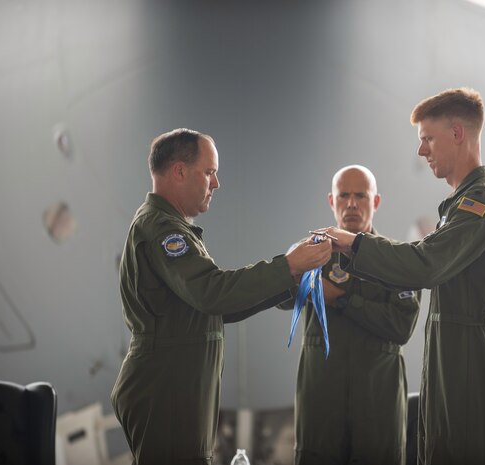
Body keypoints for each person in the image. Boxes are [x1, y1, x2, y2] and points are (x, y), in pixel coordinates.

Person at [320, 88, 485, 464]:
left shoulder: (484, 203)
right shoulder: (460, 205)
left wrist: (353, 245)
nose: (421, 151)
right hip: (451, 359)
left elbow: (425, 265)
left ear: (457, 134)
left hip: (470, 362)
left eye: (428, 138)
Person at [110, 128, 332, 465]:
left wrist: (292, 279)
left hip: (174, 386)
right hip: (166, 388)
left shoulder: (173, 226)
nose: (216, 184)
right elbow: (214, 294)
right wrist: (287, 265)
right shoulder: (163, 230)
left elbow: (214, 309)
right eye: (210, 172)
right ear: (179, 171)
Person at [279, 165, 420, 465]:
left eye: (361, 195)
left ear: (376, 201)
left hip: (377, 417)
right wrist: (293, 268)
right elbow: (277, 298)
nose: (352, 203)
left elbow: (401, 327)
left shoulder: (397, 260)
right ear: (332, 201)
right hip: (321, 416)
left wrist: (342, 299)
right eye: (344, 195)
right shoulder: (312, 255)